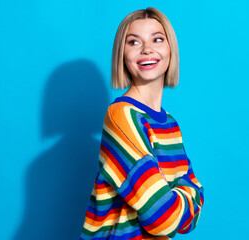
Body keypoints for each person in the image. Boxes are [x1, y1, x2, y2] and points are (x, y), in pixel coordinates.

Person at [80, 7, 204, 240]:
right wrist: (183, 198)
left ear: (170, 49)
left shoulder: (170, 124)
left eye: (157, 39)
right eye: (134, 42)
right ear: (122, 54)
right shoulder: (122, 117)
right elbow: (163, 219)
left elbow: (196, 197)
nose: (147, 49)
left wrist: (181, 200)